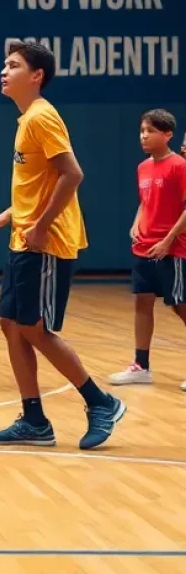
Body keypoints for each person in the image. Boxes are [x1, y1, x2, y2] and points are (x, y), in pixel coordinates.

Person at [0, 40, 125, 449]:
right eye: (4, 65)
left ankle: (101, 402)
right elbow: (40, 181)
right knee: (11, 324)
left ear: (37, 75)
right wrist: (10, 214)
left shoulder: (42, 117)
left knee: (33, 327)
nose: (3, 72)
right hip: (24, 235)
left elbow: (72, 174)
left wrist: (41, 225)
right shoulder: (27, 119)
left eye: (13, 65)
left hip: (45, 241)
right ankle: (34, 420)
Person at [108, 109, 186, 387]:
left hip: (172, 249)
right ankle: (141, 366)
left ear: (167, 135)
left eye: (150, 131)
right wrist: (136, 222)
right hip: (144, 247)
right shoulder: (142, 167)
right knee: (142, 302)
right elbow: (145, 200)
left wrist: (168, 240)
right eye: (142, 130)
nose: (144, 135)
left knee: (180, 305)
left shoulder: (179, 166)